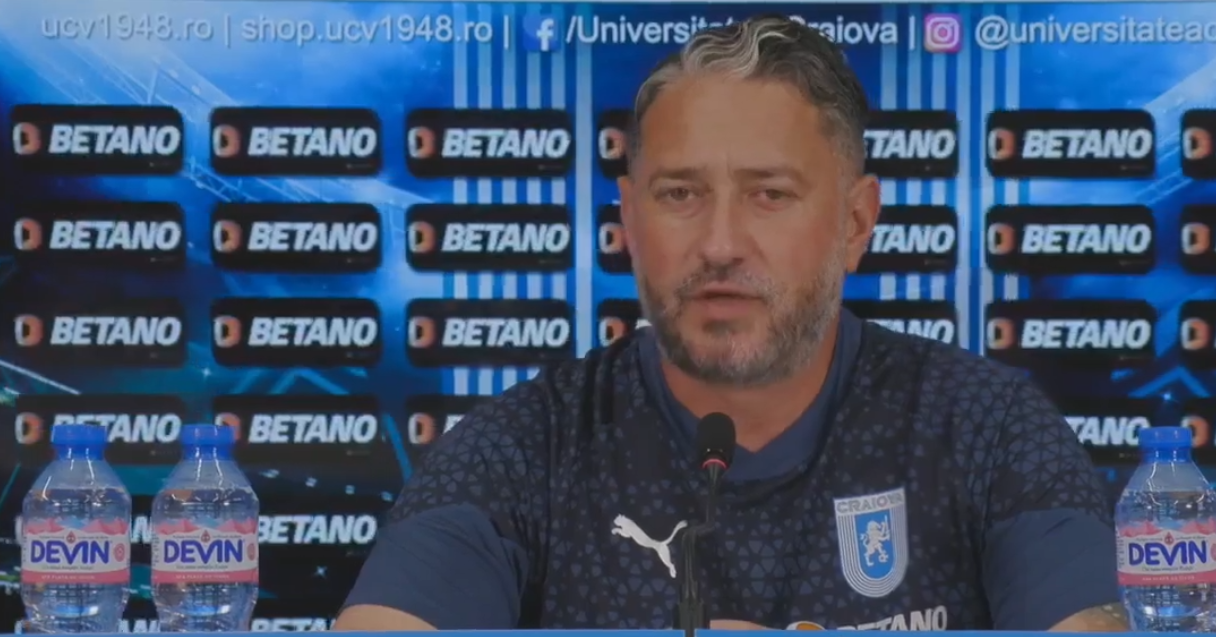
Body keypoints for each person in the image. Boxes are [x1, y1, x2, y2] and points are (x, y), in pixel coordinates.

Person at [336, 15, 1126, 632]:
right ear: (628, 220)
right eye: (680, 194)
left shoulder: (986, 427)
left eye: (769, 194)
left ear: (856, 221)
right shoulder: (524, 448)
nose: (719, 243)